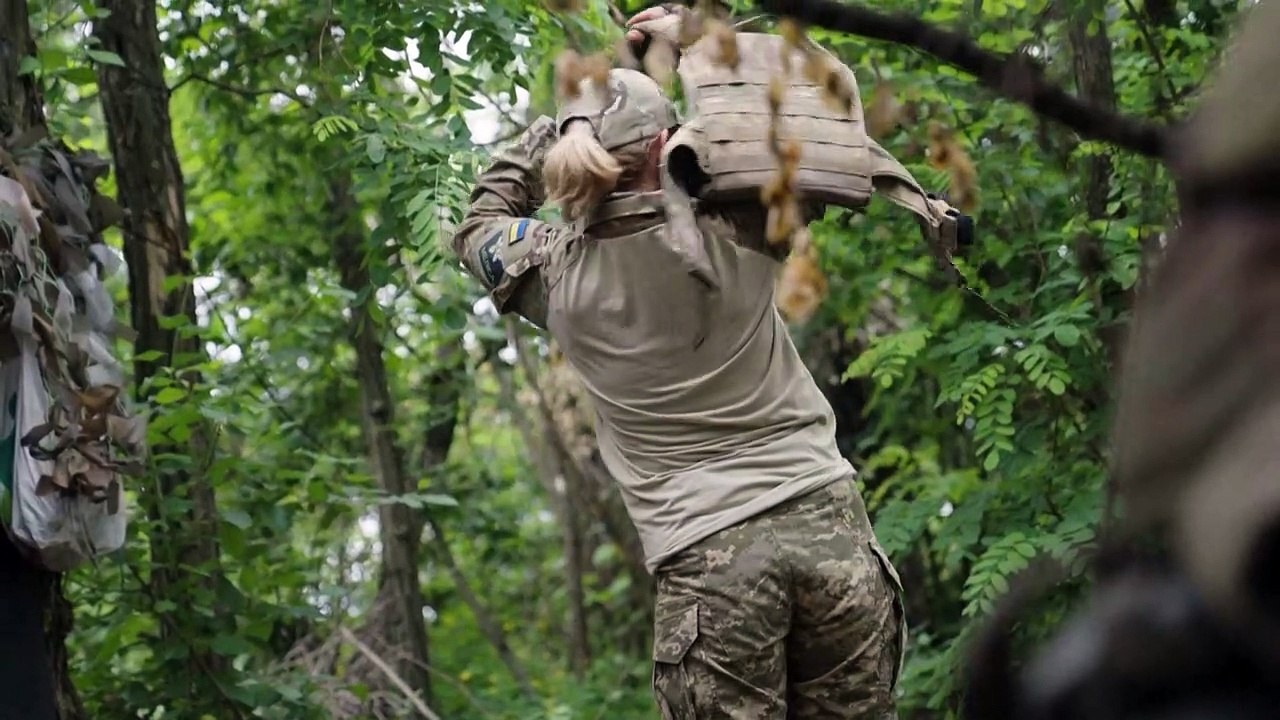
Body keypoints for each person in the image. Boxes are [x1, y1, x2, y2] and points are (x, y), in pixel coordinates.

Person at [449, 9, 906, 718]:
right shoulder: (742, 224)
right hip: (829, 528)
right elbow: (814, 122)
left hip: (711, 563)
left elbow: (479, 223)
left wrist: (563, 123)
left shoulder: (555, 276)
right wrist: (694, 35)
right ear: (667, 142)